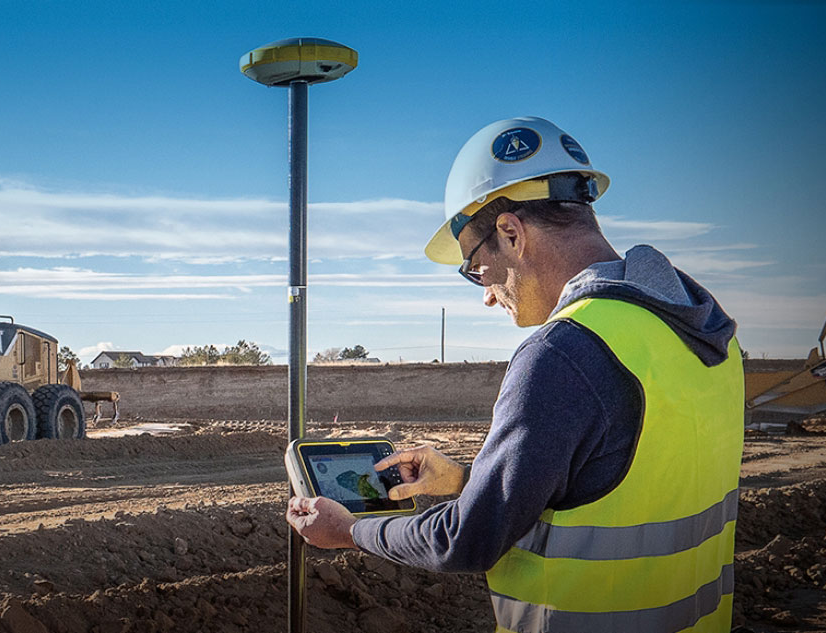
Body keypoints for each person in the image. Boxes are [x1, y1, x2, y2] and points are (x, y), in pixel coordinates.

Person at [286, 116, 744, 633]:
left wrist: (350, 531)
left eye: (475, 269)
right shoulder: (706, 337)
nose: (485, 293)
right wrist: (465, 481)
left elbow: (467, 541)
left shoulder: (564, 354)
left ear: (510, 232)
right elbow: (618, 483)